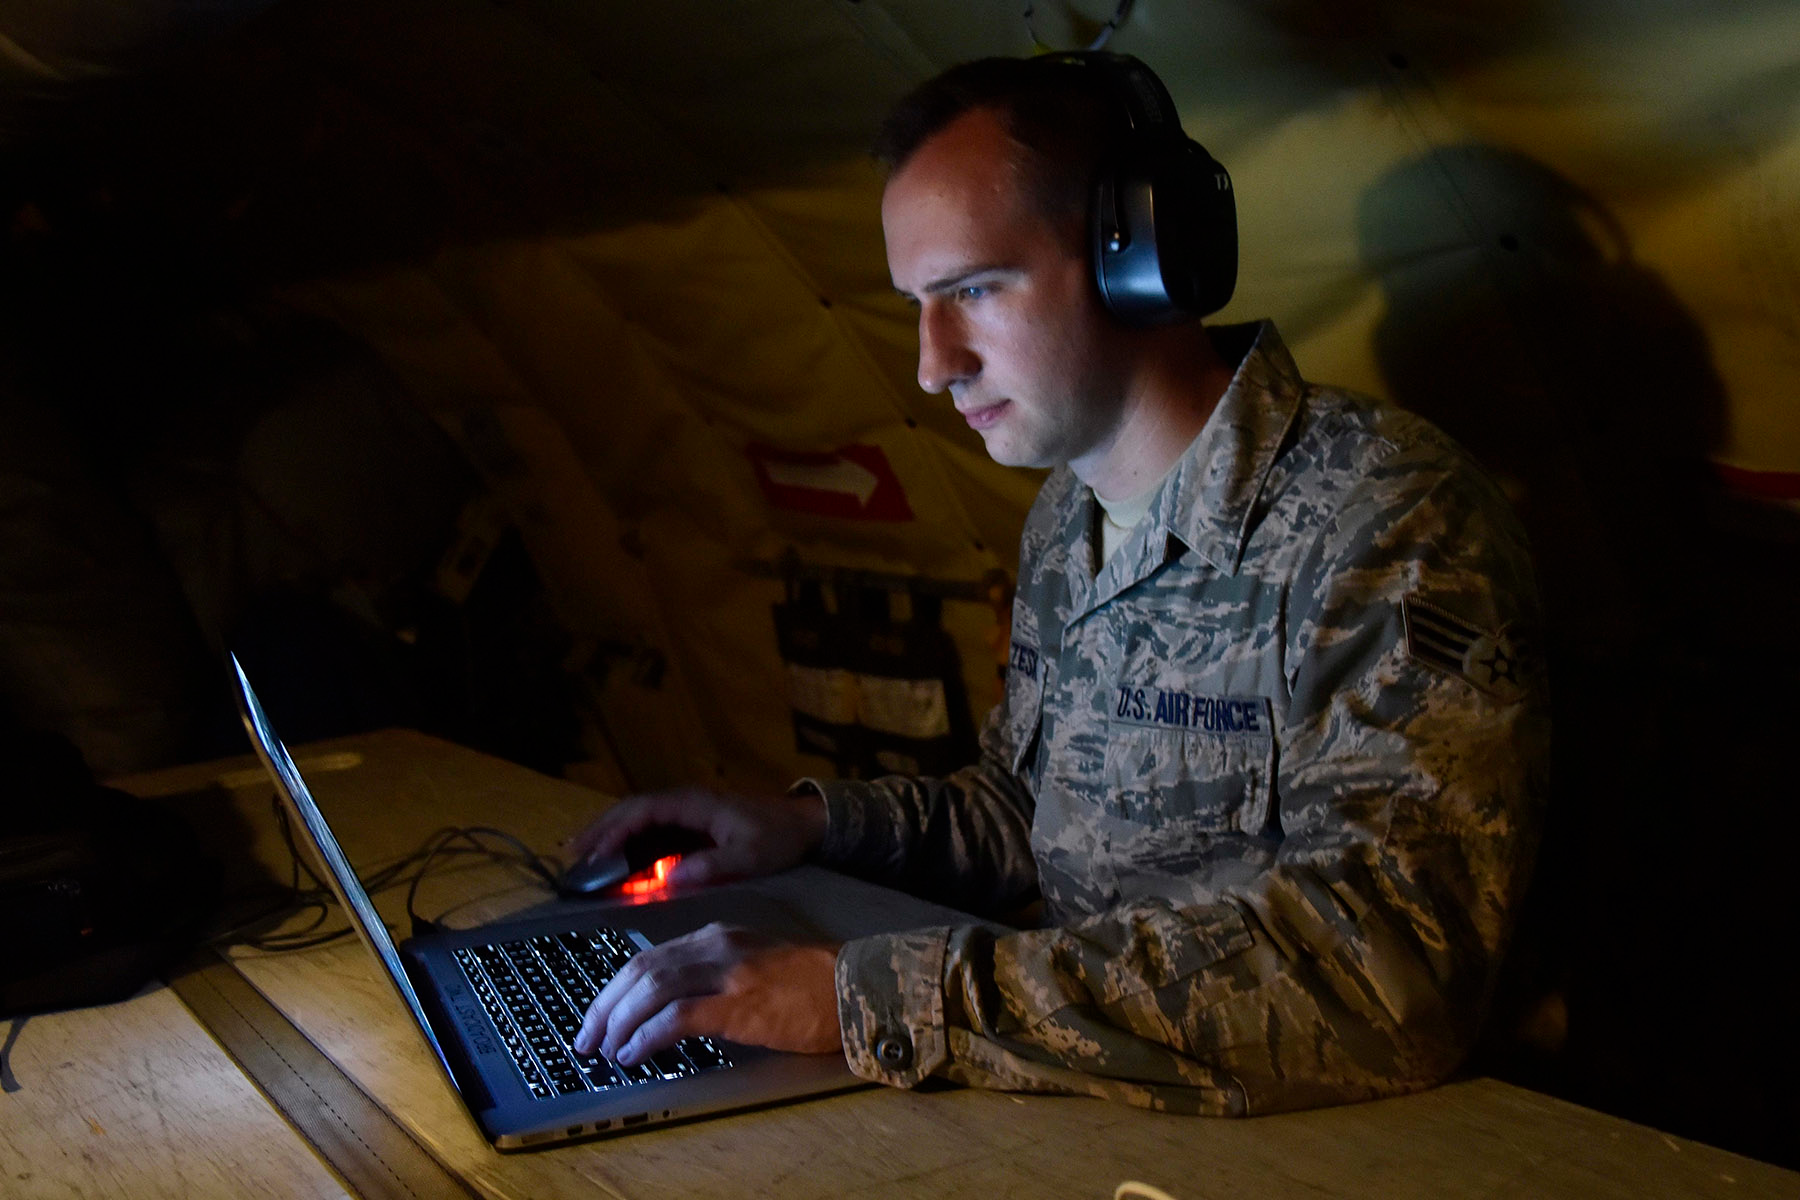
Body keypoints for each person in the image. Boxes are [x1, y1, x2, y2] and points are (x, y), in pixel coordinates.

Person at [568, 54, 1548, 1115]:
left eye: (973, 290)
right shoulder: (1064, 519)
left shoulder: (1388, 519)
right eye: (916, 305)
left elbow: (1387, 971)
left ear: (1139, 258)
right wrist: (806, 829)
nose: (932, 365)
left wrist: (869, 998)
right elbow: (1030, 813)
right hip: (1091, 1103)